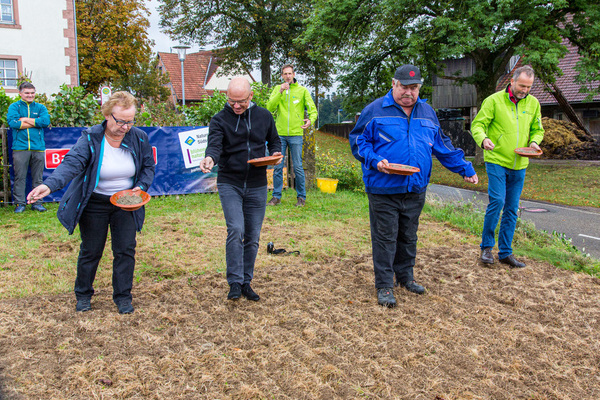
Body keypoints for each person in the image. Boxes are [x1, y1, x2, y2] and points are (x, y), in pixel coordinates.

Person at [350, 64, 479, 308]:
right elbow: (358, 141)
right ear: (393, 84)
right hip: (383, 186)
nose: (409, 92)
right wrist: (375, 160)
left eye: (414, 88)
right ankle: (385, 285)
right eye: (404, 87)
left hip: (415, 187)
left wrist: (465, 168)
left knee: (408, 235)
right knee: (385, 237)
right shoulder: (375, 110)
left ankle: (405, 277)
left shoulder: (427, 112)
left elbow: (442, 145)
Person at [27, 91, 155, 314]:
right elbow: (71, 163)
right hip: (95, 203)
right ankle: (83, 294)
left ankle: (123, 297)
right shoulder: (90, 137)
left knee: (125, 250)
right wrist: (49, 185)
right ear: (107, 115)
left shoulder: (139, 137)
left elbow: (148, 167)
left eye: (130, 121)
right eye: (121, 121)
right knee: (91, 250)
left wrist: (141, 186)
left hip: (126, 203)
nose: (126, 126)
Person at [200, 77, 282, 301]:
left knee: (253, 236)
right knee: (236, 230)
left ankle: (247, 281)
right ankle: (234, 282)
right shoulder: (219, 120)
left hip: (257, 183)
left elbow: (274, 141)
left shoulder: (263, 116)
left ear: (251, 97)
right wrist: (209, 158)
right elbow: (214, 145)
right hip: (230, 182)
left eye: (241, 102)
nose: (236, 106)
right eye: (231, 101)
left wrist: (275, 154)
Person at [471, 65, 544, 268]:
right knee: (498, 201)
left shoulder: (533, 103)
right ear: (512, 81)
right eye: (522, 86)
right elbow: (477, 125)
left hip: (520, 162)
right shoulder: (493, 101)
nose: (525, 90)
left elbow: (538, 129)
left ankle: (505, 252)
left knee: (512, 208)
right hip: (496, 159)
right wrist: (483, 139)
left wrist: (535, 142)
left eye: (529, 87)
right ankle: (486, 248)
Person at [266, 64, 317, 207]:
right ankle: (276, 197)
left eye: (290, 73)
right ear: (282, 76)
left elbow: (313, 110)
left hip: (296, 134)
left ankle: (301, 197)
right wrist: (280, 91)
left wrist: (310, 120)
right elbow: (269, 107)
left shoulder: (302, 91)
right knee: (277, 166)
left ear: (293, 74)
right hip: (279, 134)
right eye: (285, 74)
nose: (287, 76)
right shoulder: (278, 89)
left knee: (298, 167)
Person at [7, 82, 51, 213]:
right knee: (20, 177)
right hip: (20, 148)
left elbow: (45, 122)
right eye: (27, 93)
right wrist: (35, 122)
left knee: (38, 177)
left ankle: (37, 202)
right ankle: (20, 204)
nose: (30, 95)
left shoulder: (41, 107)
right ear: (20, 93)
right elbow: (13, 123)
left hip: (38, 147)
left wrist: (25, 119)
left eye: (32, 93)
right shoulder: (14, 107)